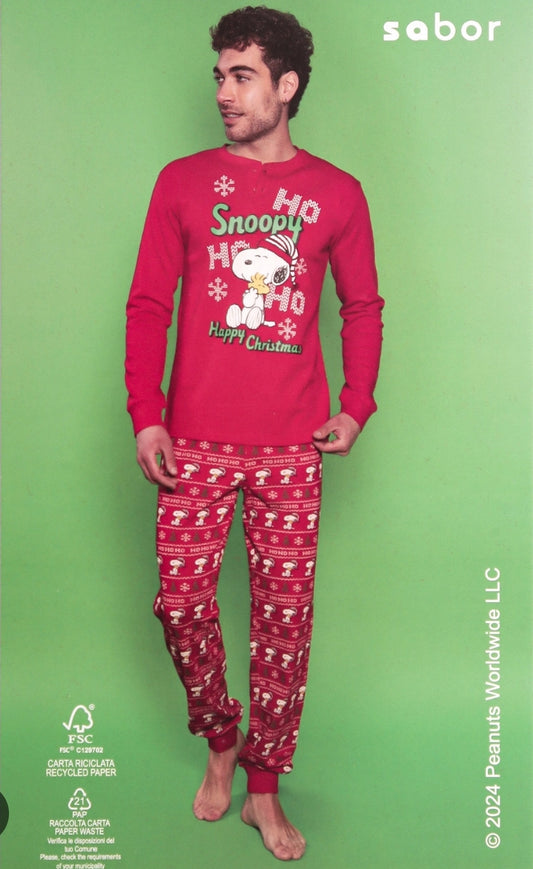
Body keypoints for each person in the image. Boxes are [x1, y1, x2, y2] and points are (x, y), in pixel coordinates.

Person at [125, 6, 384, 861]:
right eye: (219, 76)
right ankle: (220, 737)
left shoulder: (337, 192)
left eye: (241, 76)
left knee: (284, 627)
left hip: (290, 447)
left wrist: (356, 403)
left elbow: (360, 306)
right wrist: (147, 413)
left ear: (287, 85)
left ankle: (262, 788)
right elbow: (149, 304)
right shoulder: (181, 182)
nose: (223, 93)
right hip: (192, 441)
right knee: (180, 605)